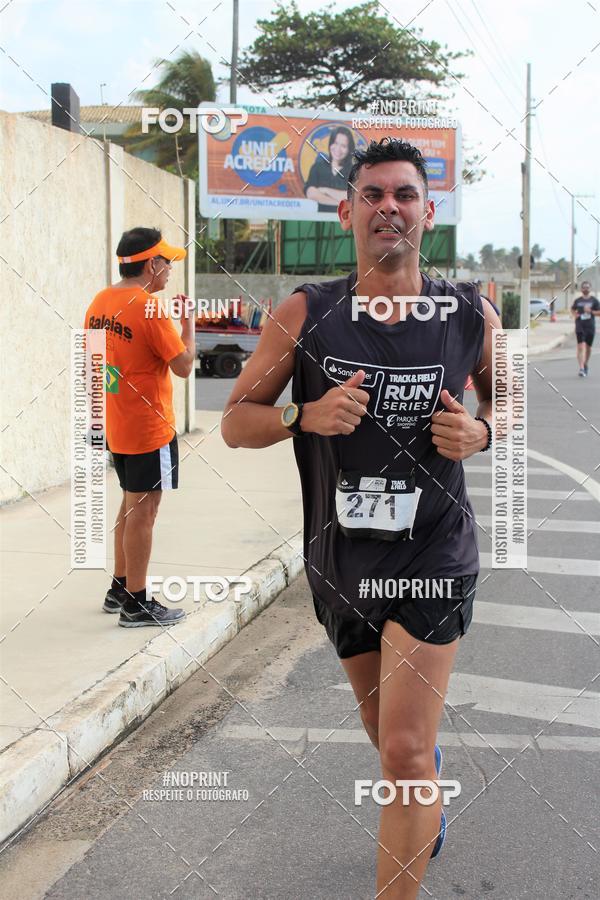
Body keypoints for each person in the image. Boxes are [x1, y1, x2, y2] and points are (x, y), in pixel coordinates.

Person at [222, 137, 500, 897]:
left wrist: (482, 431)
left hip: (435, 556)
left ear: (428, 213)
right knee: (392, 744)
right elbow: (236, 418)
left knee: (403, 753)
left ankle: (419, 781)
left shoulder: (471, 310)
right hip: (343, 563)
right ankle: (426, 777)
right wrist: (301, 414)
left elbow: (502, 399)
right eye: (373, 194)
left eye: (404, 194)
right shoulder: (309, 313)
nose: (389, 207)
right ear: (348, 210)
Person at [84, 227, 195, 627]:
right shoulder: (149, 309)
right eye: (166, 262)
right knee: (144, 513)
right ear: (151, 265)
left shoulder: (100, 302)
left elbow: (94, 366)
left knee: (129, 508)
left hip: (118, 425)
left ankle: (119, 587)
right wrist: (189, 324)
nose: (169, 270)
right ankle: (137, 602)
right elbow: (183, 367)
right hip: (150, 429)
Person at [304, 126, 356, 212]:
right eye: (335, 143)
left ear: (349, 149)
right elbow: (311, 193)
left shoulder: (354, 171)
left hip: (346, 222)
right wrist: (340, 202)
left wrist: (325, 190)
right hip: (321, 221)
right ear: (330, 144)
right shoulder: (318, 167)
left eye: (343, 146)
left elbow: (353, 197)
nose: (338, 149)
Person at [571, 280, 600, 376]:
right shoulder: (578, 300)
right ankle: (581, 368)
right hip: (580, 326)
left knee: (588, 347)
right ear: (581, 289)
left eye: (587, 287)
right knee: (581, 346)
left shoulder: (594, 300)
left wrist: (590, 311)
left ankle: (585, 363)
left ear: (590, 288)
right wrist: (575, 315)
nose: (586, 289)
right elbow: (572, 309)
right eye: (584, 287)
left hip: (590, 326)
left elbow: (599, 313)